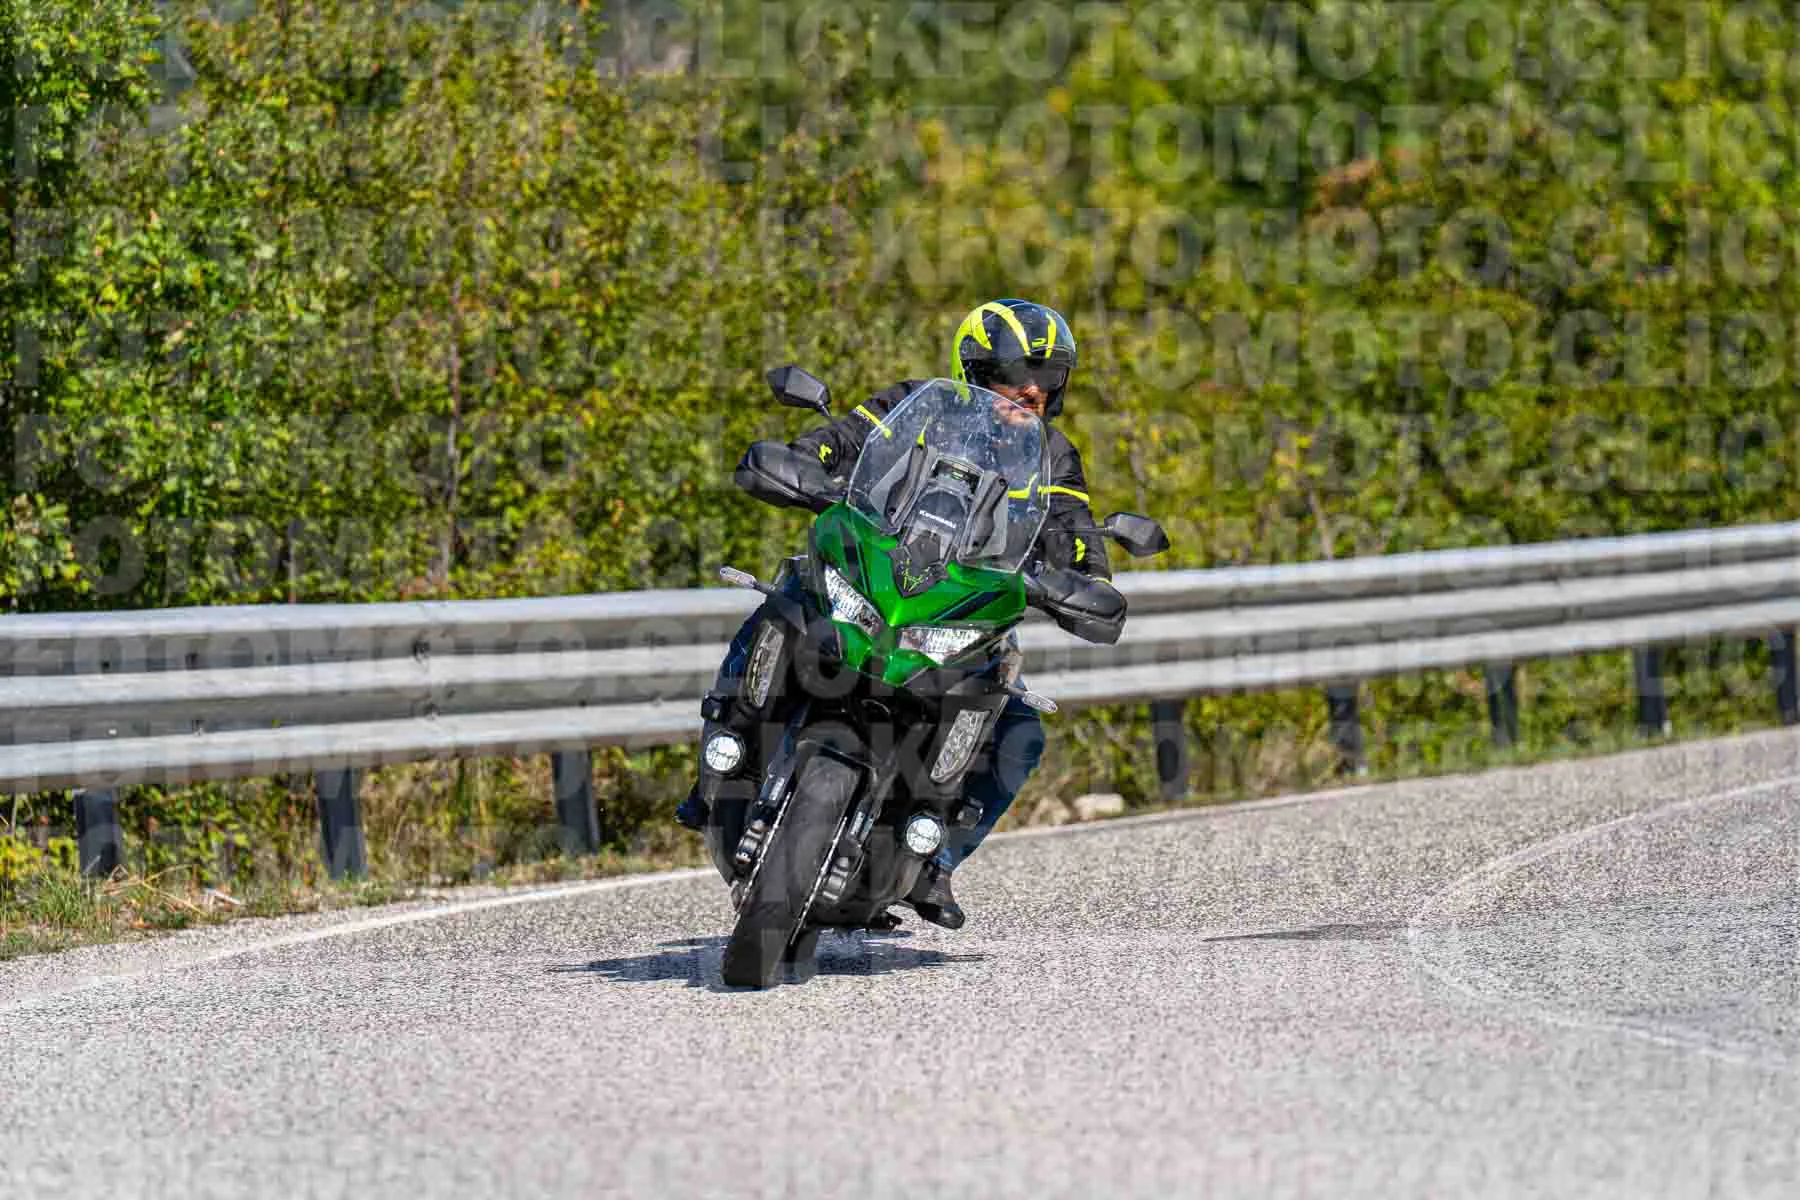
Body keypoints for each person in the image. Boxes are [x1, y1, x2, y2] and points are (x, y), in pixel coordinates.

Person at [675, 299, 1113, 929]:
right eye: (1014, 373)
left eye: (1048, 376)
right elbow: (836, 444)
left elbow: (1073, 531)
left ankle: (937, 859)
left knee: (1020, 725)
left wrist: (1084, 581)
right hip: (872, 574)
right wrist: (805, 464)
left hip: (959, 609)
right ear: (974, 370)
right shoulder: (914, 405)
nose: (1031, 390)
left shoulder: (1053, 457)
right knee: (784, 601)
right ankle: (729, 744)